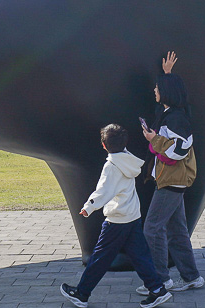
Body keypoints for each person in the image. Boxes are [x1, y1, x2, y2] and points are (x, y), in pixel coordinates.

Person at [59, 124, 171, 308]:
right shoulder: (128, 159)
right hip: (132, 215)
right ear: (125, 142)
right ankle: (157, 289)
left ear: (103, 145)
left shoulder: (111, 166)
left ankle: (82, 293)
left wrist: (88, 207)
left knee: (100, 258)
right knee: (140, 255)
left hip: (117, 219)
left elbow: (103, 191)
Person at [138, 51, 204, 295]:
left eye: (158, 88)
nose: (154, 91)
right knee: (177, 232)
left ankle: (160, 281)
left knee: (152, 229)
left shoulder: (176, 119)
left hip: (172, 181)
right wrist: (167, 74)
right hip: (170, 180)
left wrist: (154, 140)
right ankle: (191, 277)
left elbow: (178, 151)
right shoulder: (170, 113)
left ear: (165, 92)